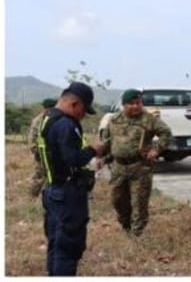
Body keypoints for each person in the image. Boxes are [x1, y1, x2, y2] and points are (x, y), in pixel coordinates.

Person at [37, 82, 105, 276]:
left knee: (56, 244)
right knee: (68, 248)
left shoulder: (47, 118)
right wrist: (93, 150)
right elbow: (73, 159)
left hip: (52, 190)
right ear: (75, 104)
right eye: (83, 111)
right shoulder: (66, 124)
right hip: (67, 194)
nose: (82, 116)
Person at [101, 89, 172, 237]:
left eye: (138, 103)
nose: (135, 106)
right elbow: (107, 142)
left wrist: (156, 150)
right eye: (131, 103)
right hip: (118, 167)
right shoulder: (114, 120)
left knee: (139, 203)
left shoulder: (149, 119)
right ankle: (126, 225)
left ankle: (137, 233)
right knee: (118, 200)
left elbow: (166, 133)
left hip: (140, 167)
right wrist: (102, 157)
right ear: (124, 105)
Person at [28, 97, 58, 197]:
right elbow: (32, 137)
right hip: (40, 152)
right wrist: (35, 151)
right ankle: (33, 195)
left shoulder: (54, 118)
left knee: (51, 174)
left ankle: (49, 195)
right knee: (39, 174)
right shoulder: (38, 120)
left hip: (52, 152)